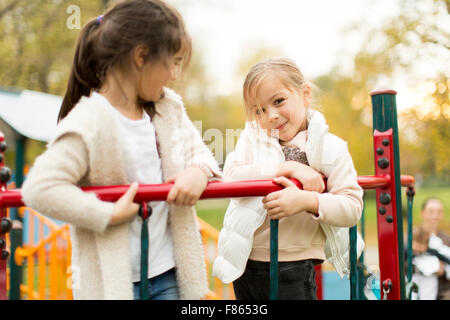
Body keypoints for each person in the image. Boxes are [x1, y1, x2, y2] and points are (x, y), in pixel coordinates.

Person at [21, 0, 221, 300]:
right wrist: (108, 213)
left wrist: (198, 172)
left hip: (169, 274)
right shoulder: (89, 120)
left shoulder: (167, 109)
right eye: (173, 62)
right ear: (142, 56)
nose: (174, 75)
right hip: (111, 284)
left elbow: (200, 153)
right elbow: (39, 188)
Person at [213, 58, 364, 300]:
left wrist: (307, 201)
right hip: (245, 264)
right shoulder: (251, 139)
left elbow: (352, 207)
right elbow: (231, 178)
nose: (270, 115)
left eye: (278, 101)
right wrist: (288, 168)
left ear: (305, 93)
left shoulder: (331, 148)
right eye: (259, 110)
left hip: (293, 266)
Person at [411, 198, 450, 300]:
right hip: (416, 290)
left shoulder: (446, 240)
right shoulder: (410, 238)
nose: (435, 216)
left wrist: (443, 271)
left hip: (443, 292)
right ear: (423, 213)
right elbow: (399, 265)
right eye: (431, 211)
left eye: (439, 212)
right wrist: (424, 268)